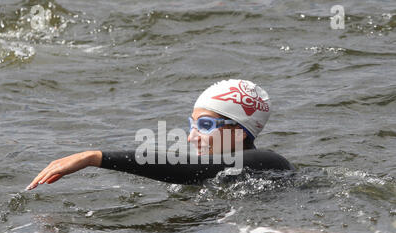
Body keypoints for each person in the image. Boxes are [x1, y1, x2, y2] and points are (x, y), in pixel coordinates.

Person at [25, 79, 294, 190]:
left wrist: (94, 157)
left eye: (205, 126)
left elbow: (192, 170)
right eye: (192, 125)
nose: (191, 137)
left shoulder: (268, 162)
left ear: (238, 132)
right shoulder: (230, 172)